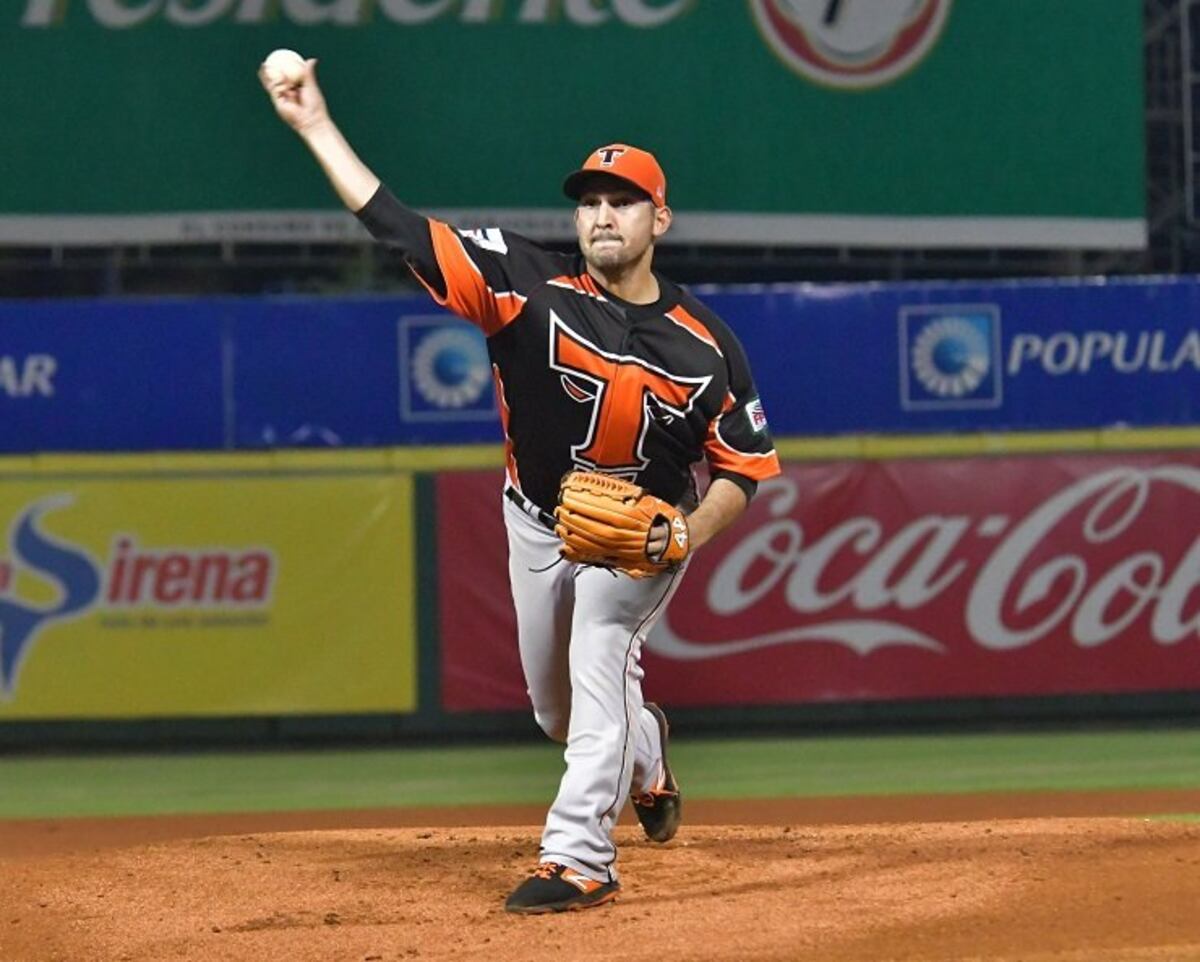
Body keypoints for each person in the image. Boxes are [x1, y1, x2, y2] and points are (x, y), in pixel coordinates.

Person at [259, 57, 781, 915]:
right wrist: (315, 125)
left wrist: (684, 533)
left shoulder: (706, 345)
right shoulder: (523, 284)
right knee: (556, 714)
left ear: (660, 218)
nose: (603, 214)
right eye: (590, 201)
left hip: (640, 537)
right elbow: (399, 229)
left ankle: (579, 858)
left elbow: (743, 468)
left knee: (602, 653)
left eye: (624, 202)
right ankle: (647, 753)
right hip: (538, 522)